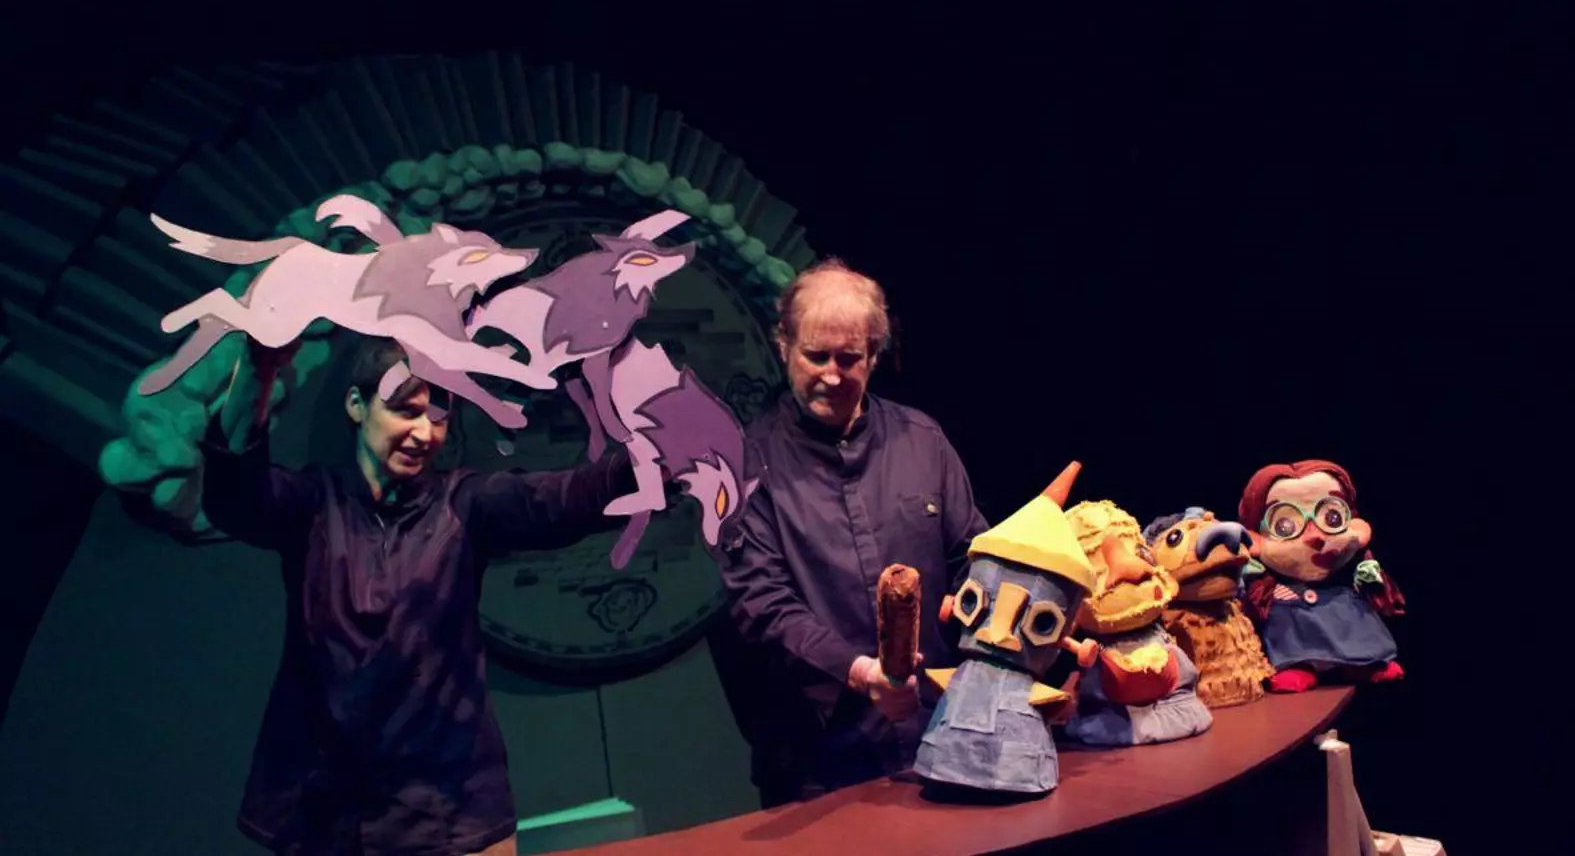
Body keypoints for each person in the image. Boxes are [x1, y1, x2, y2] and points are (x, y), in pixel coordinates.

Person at [198, 334, 641, 856]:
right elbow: (236, 495)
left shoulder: (464, 504)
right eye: (405, 411)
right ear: (357, 405)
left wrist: (650, 462)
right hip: (326, 816)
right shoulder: (312, 505)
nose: (424, 432)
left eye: (437, 415)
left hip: (451, 812)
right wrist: (258, 370)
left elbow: (561, 499)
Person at [712, 258, 990, 807]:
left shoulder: (922, 440)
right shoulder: (740, 467)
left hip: (941, 737)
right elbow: (763, 607)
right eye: (816, 356)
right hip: (818, 762)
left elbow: (973, 558)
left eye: (849, 358)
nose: (832, 375)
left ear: (875, 355)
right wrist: (862, 673)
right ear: (783, 345)